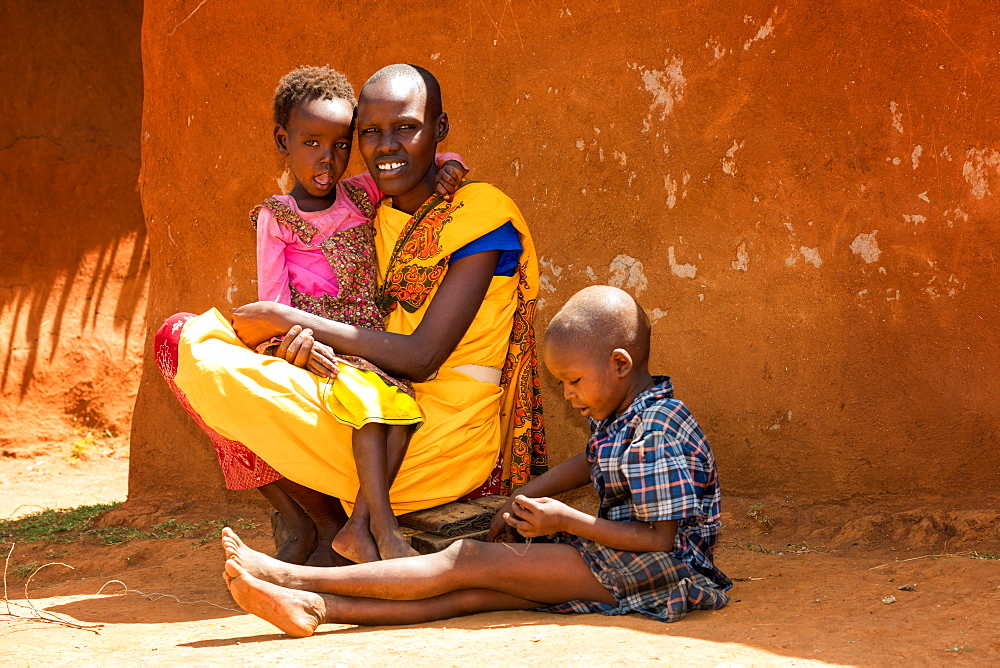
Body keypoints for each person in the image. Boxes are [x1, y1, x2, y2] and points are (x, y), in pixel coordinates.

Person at [156, 64, 545, 566]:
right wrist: (294, 346)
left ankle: (355, 528)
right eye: (369, 133)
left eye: (407, 127)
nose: (387, 146)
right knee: (186, 340)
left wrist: (282, 317)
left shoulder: (478, 215)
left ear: (439, 130)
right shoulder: (372, 211)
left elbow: (422, 357)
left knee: (380, 403)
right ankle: (328, 526)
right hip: (362, 394)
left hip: (441, 439)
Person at [216, 285, 732, 636]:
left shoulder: (656, 430)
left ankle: (291, 577)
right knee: (474, 594)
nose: (569, 395)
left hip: (662, 569)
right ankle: (318, 609)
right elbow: (592, 458)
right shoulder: (624, 409)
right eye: (561, 385)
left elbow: (659, 539)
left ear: (620, 364)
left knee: (469, 561)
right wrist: (524, 495)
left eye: (573, 382)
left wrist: (565, 519)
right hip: (626, 561)